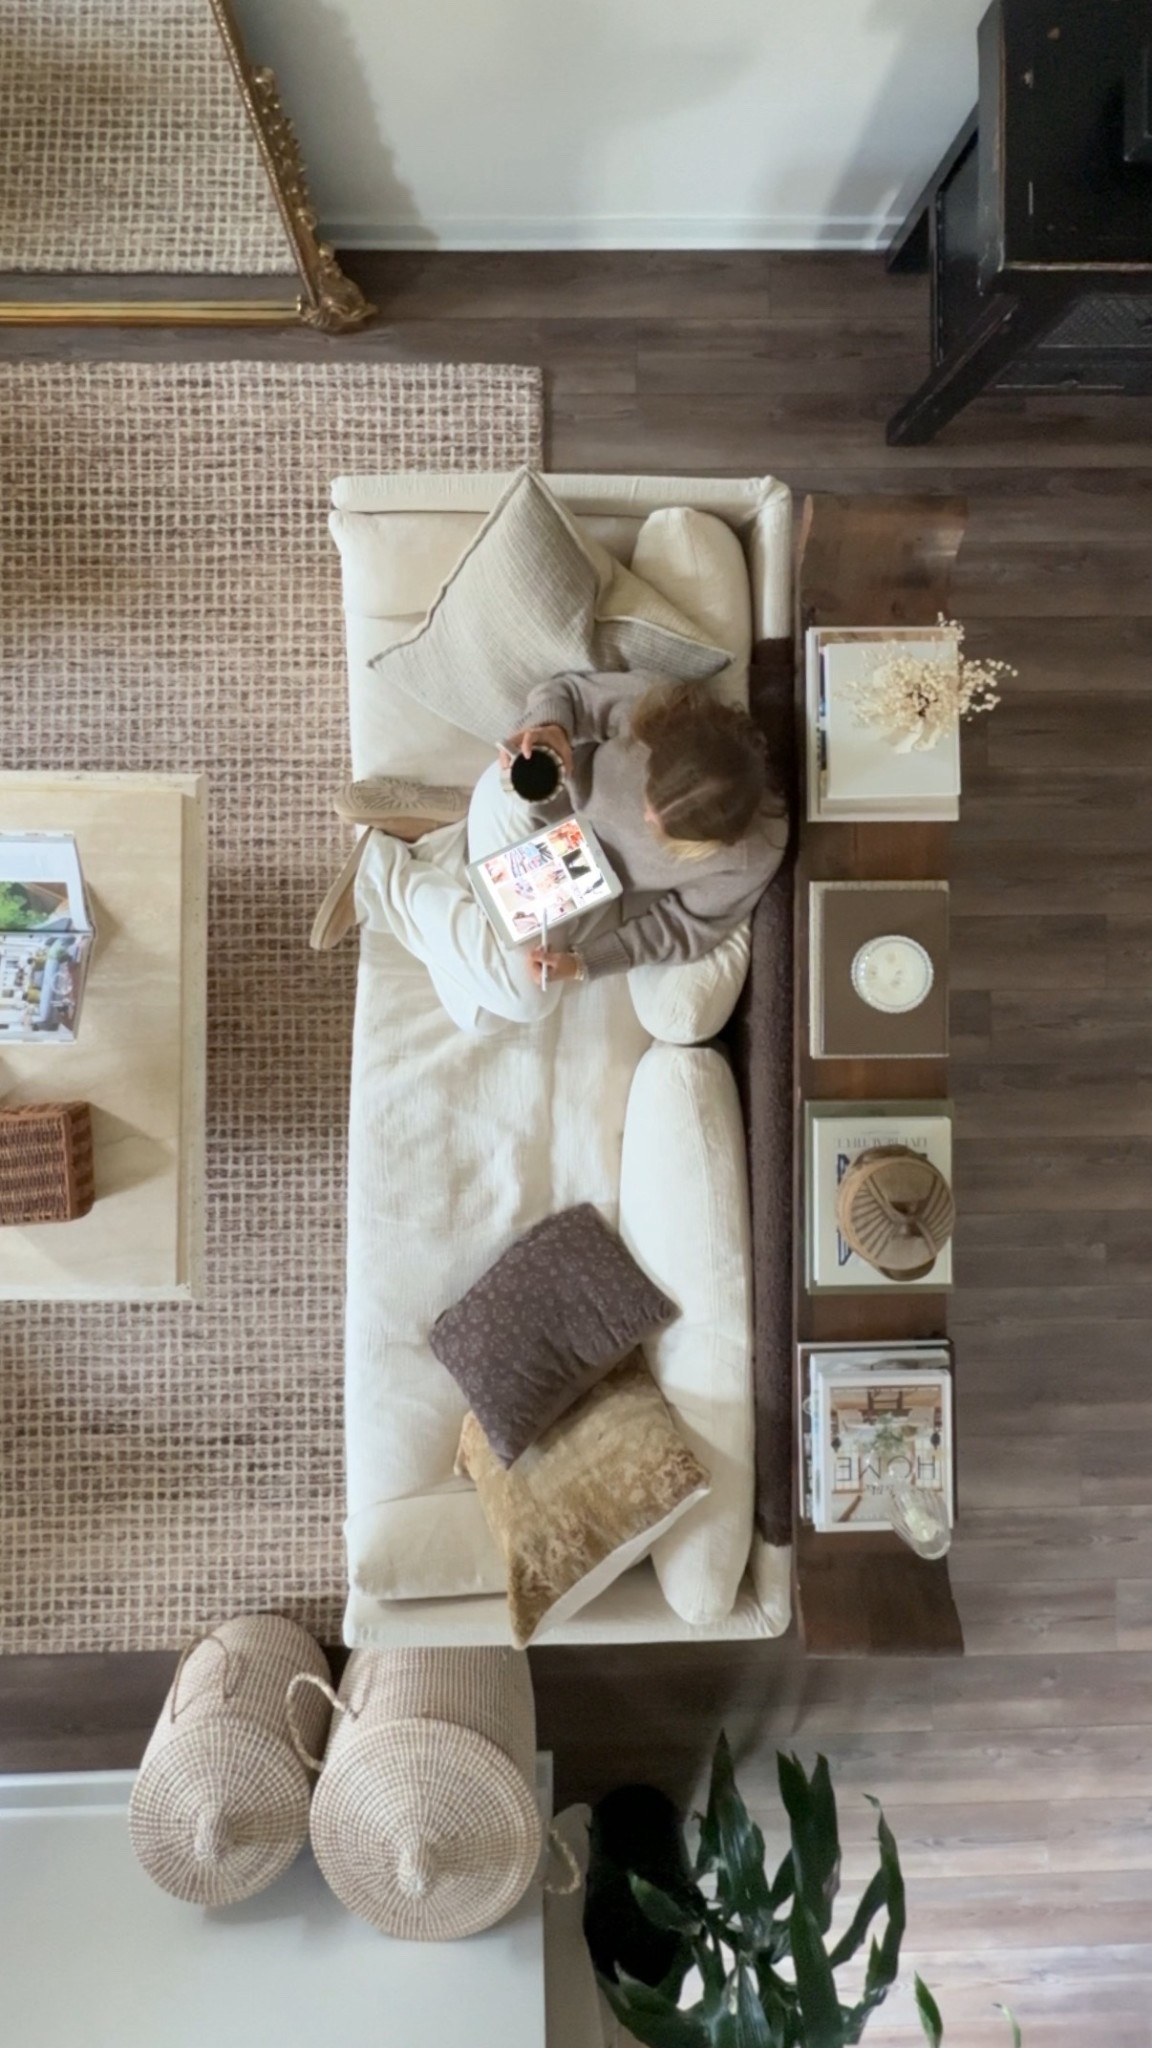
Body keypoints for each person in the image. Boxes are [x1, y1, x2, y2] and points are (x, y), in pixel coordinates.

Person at [316, 670, 788, 1036]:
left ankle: (443, 843)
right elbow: (564, 692)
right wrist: (548, 727)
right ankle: (384, 875)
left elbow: (682, 929)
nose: (646, 819)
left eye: (665, 831)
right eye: (648, 799)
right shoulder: (663, 712)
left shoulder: (747, 857)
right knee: (525, 1001)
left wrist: (586, 962)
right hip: (526, 807)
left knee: (479, 1016)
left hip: (574, 876)